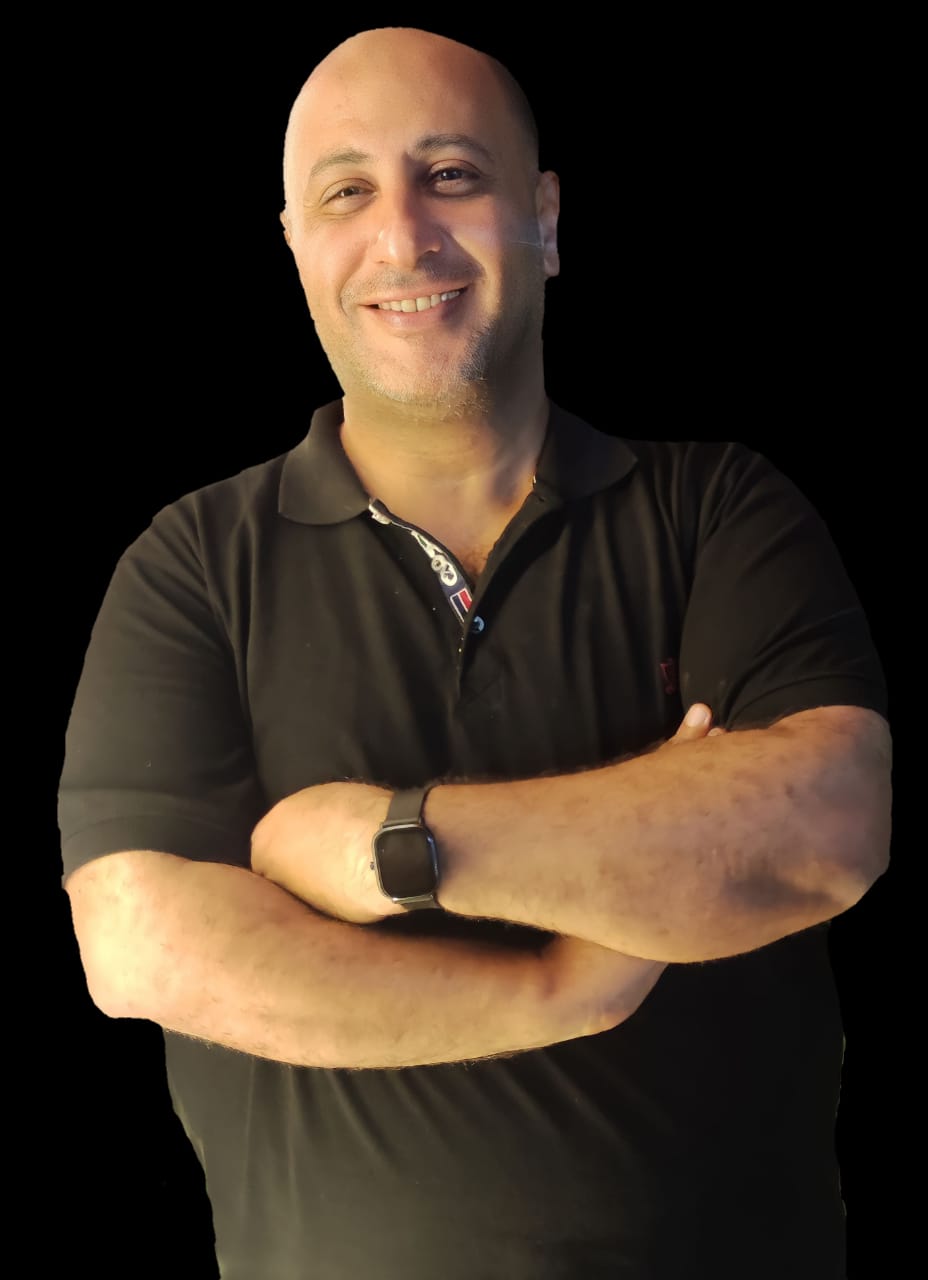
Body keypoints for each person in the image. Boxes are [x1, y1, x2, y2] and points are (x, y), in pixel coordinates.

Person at [59, 26, 891, 1280]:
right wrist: (561, 984)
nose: (402, 237)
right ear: (296, 247)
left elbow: (819, 825)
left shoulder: (719, 510)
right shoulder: (191, 565)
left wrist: (385, 842)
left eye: (450, 175)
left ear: (544, 220)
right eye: (347, 192)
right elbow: (141, 940)